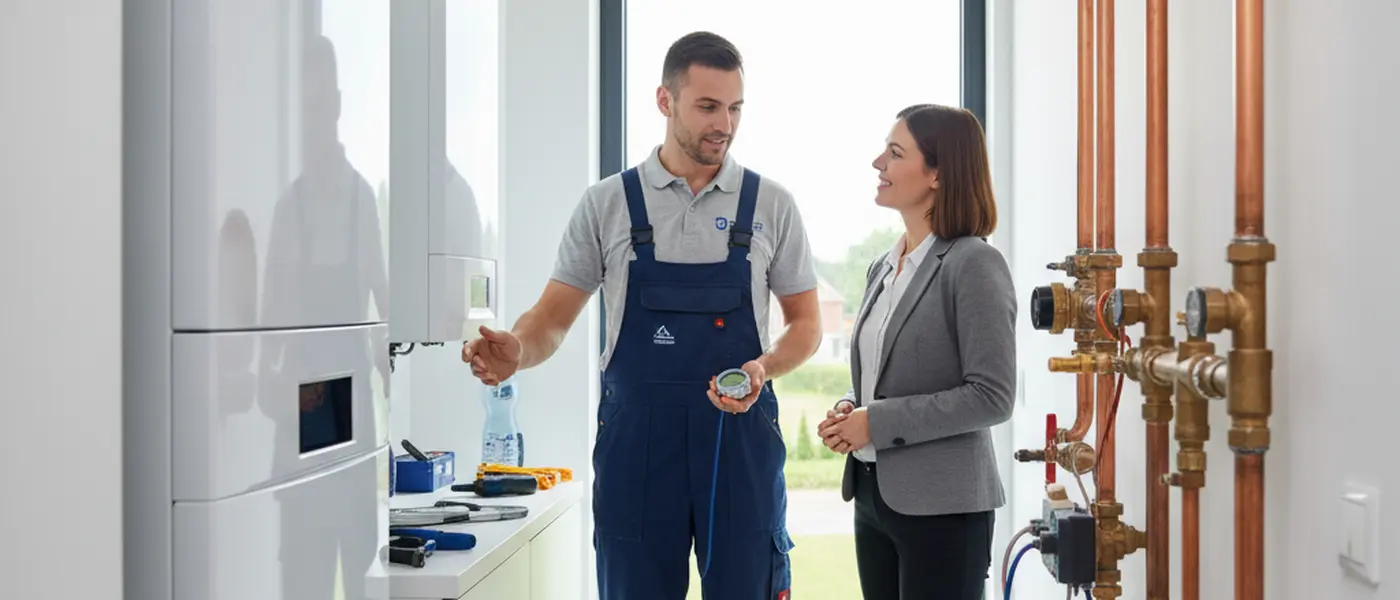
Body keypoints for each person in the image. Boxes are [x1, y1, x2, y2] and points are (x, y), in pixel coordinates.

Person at [461, 31, 822, 600]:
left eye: (735, 108)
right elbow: (551, 317)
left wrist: (764, 368)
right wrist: (519, 351)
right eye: (708, 106)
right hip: (637, 447)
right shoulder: (607, 204)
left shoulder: (771, 204)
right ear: (665, 100)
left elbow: (806, 325)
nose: (724, 124)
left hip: (740, 439)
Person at [817, 104, 1016, 600]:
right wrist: (851, 408)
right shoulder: (883, 267)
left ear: (937, 174)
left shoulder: (974, 263)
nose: (877, 162)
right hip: (873, 497)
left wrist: (875, 422)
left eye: (895, 152)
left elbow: (992, 396)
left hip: (945, 511)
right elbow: (884, 375)